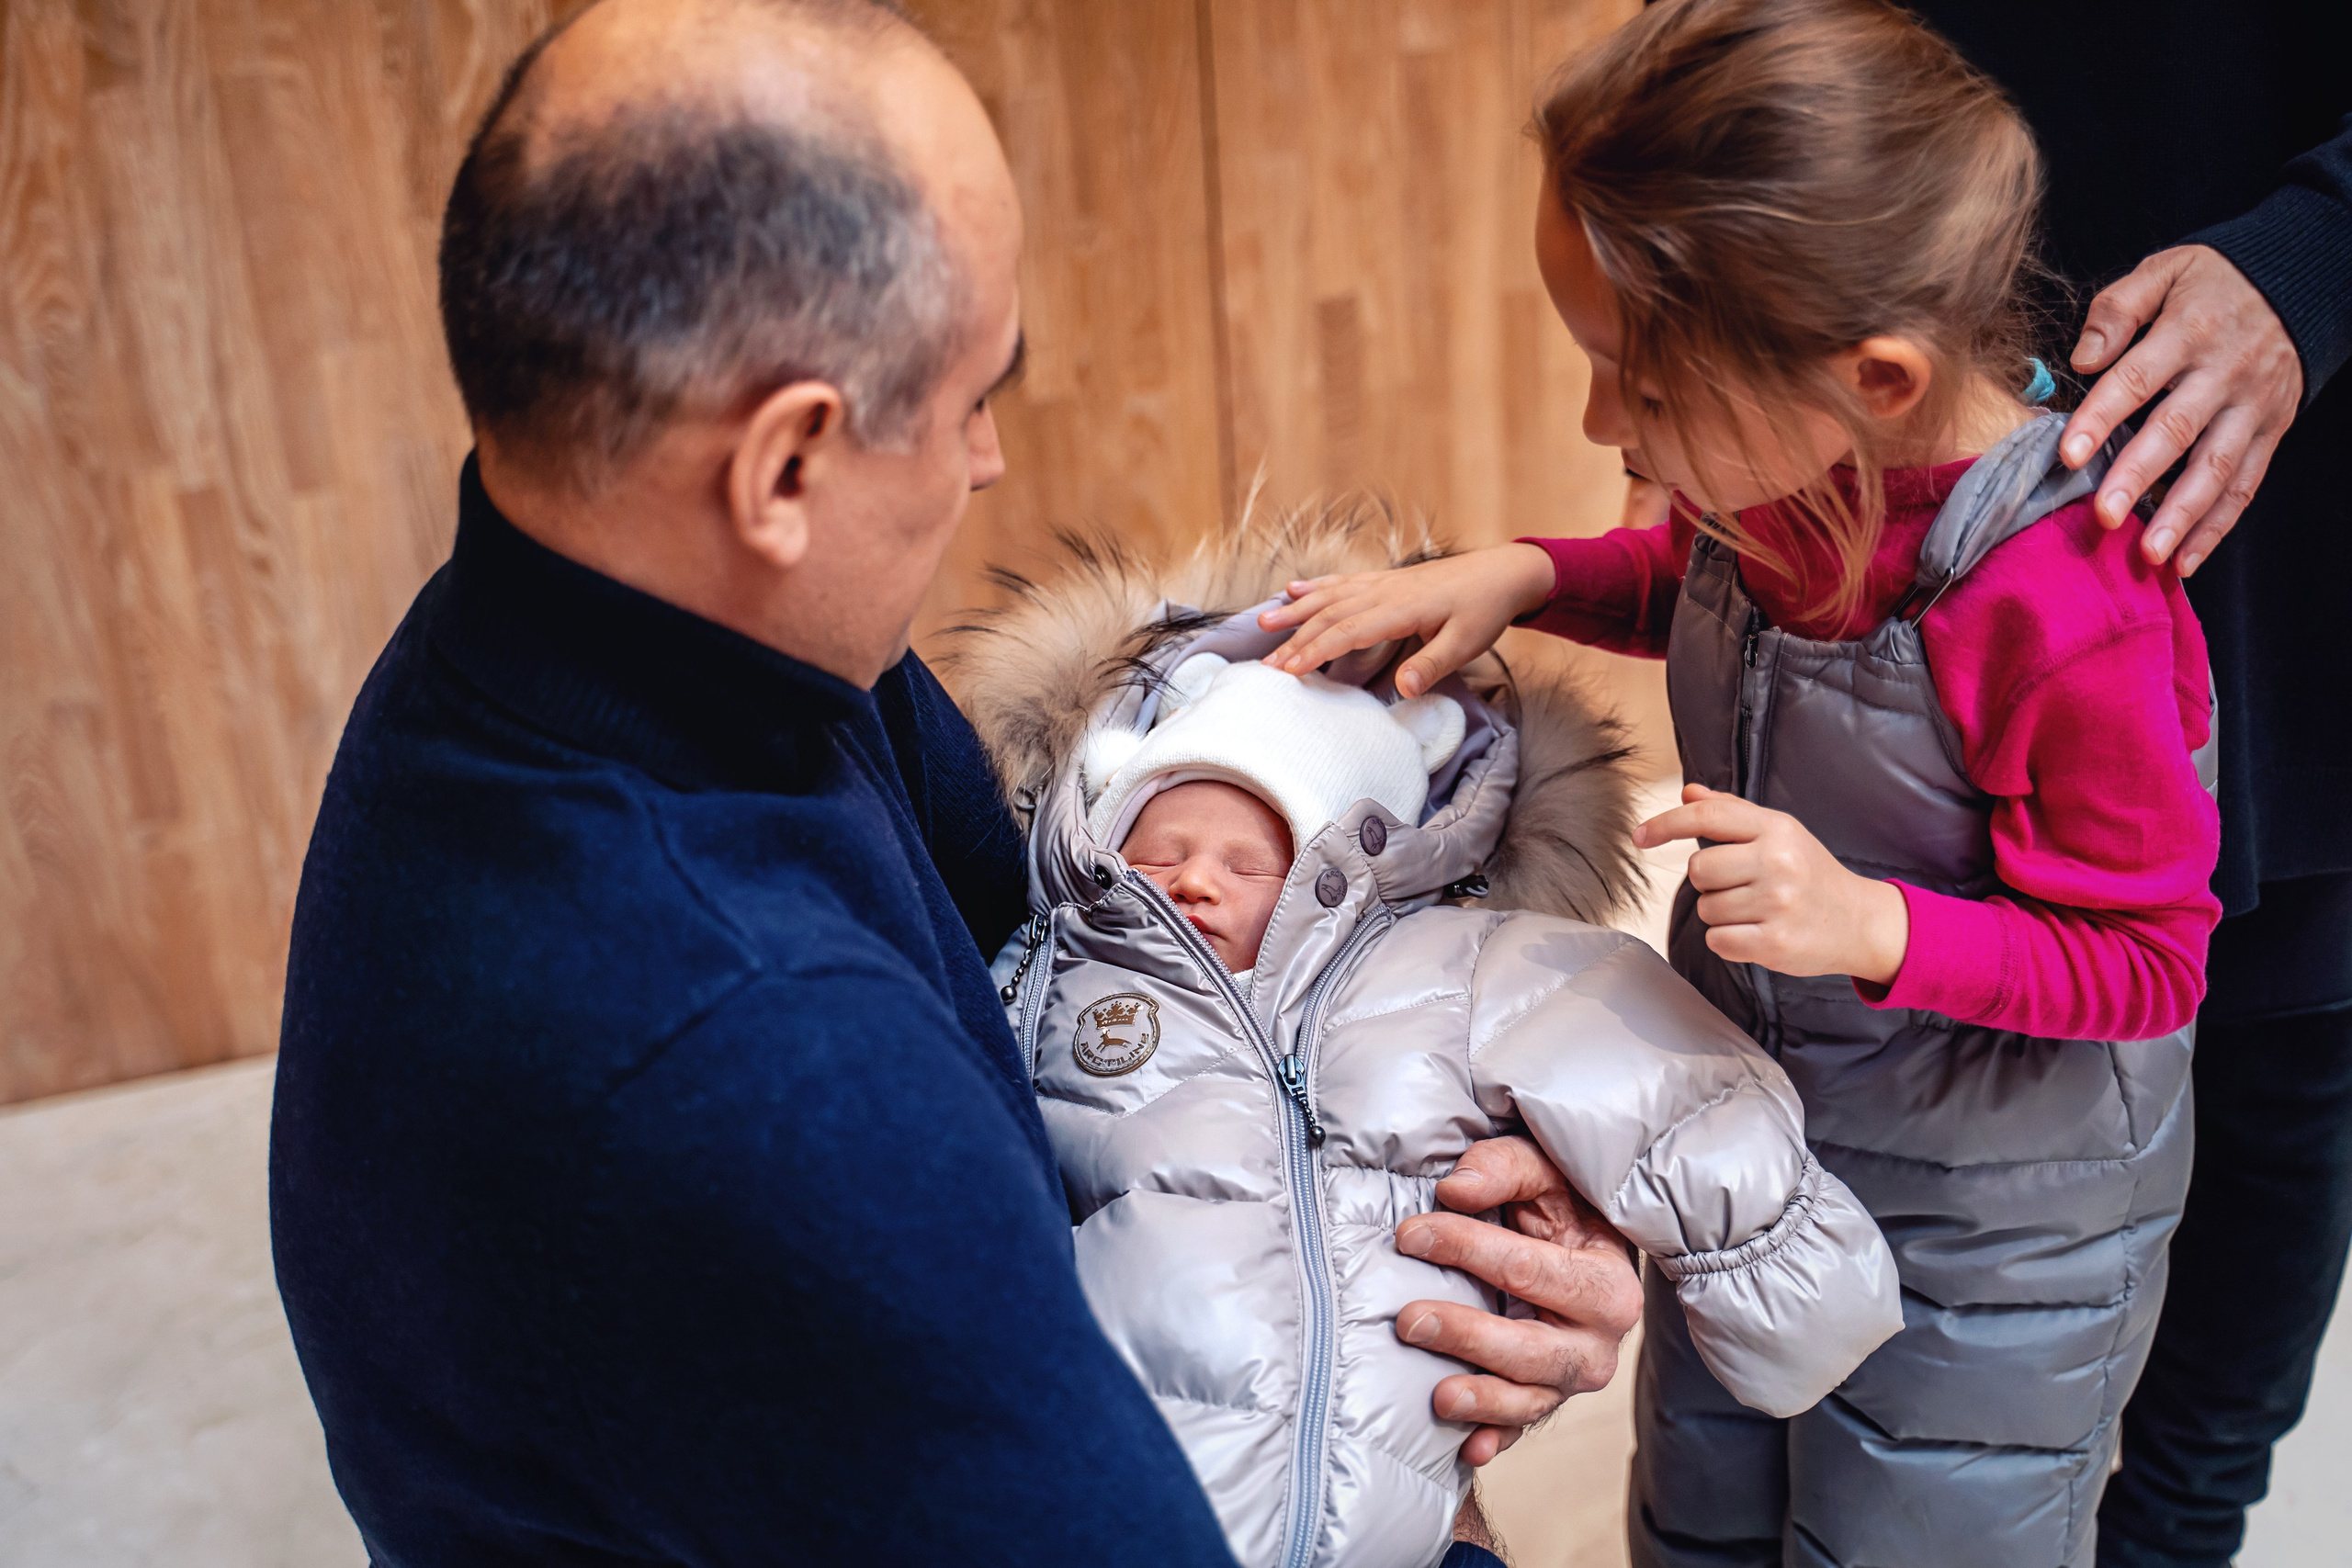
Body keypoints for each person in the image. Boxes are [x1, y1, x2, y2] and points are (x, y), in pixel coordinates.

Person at [267, 1, 1639, 1562]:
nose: (989, 459)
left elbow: (1103, 994)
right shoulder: (763, 1071)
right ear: (783, 467)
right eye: (976, 394)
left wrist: (1440, 1191)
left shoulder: (601, 638)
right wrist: (1428, 1456)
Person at [1257, 0, 2222, 1562]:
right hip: (1744, 1161)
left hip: (1986, 1259)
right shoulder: (1805, 465)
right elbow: (1701, 579)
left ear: (1881, 377)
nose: (1595, 423)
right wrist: (1523, 572)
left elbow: (2151, 960)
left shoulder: (2078, 603)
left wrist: (1878, 928)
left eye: (1636, 383)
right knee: (1698, 1524)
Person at [944, 508, 1901, 1568]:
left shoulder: (1449, 963)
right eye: (1159, 846)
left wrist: (1780, 1267)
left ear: (1342, 868)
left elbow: (1658, 1072)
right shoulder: (1056, 975)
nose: (1192, 881)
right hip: (1120, 1486)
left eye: (1245, 862)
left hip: (1390, 1505)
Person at [1896, 6, 2352, 1562]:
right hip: (1889, 423)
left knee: (2273, 1083)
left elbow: (2144, 963)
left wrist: (2319, 253)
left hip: (2295, 518)